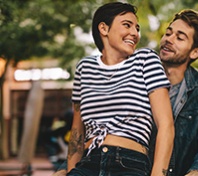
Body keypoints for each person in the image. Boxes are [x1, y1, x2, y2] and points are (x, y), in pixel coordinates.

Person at [64, 2, 174, 176]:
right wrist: (71, 172)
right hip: (89, 163)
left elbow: (166, 125)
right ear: (104, 28)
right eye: (127, 25)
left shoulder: (146, 60)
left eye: (136, 28)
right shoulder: (84, 68)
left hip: (129, 163)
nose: (135, 33)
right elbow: (77, 134)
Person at [150, 9, 198, 176]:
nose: (169, 39)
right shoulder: (140, 80)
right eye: (168, 33)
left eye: (179, 37)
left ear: (195, 52)